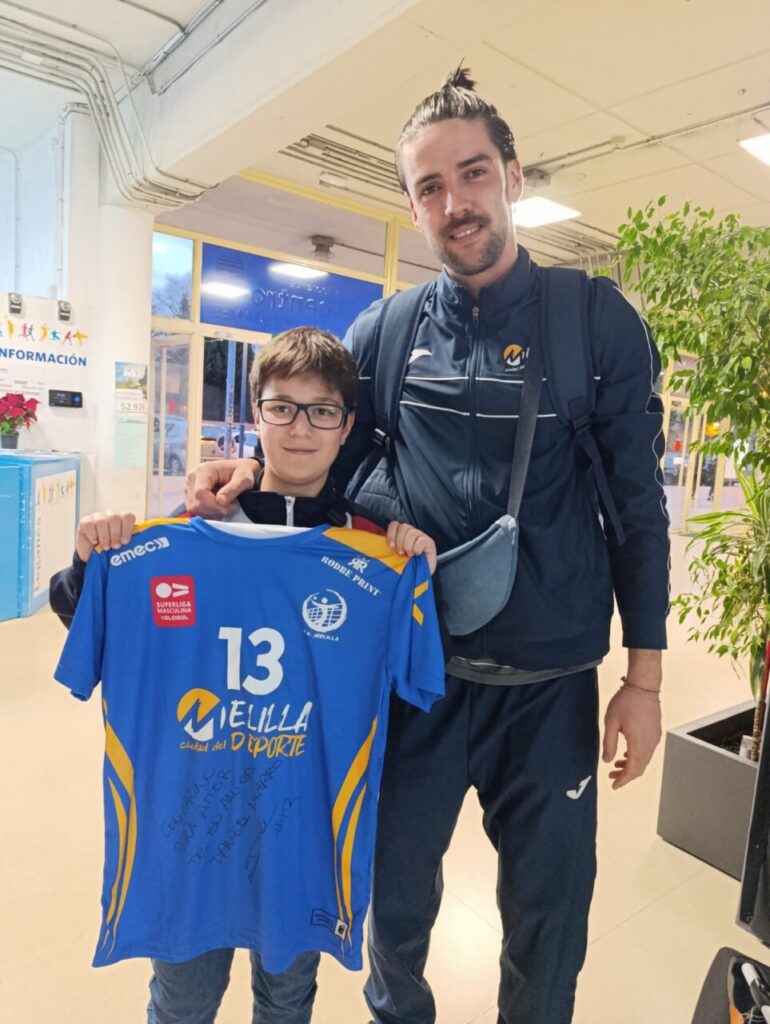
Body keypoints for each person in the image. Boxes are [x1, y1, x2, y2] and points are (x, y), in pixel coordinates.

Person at [184, 68, 670, 1024]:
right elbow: (328, 459)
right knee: (393, 914)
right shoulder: (389, 330)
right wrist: (247, 474)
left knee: (547, 927)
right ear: (411, 204)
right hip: (414, 683)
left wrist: (644, 681)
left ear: (513, 177)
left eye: (472, 174)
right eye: (429, 188)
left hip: (551, 691)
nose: (455, 203)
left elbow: (639, 509)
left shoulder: (593, 322)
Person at [50, 327, 438, 1024]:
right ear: (255, 415)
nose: (300, 427)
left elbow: (414, 686)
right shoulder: (191, 527)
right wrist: (91, 558)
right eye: (281, 407)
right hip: (187, 834)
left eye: (321, 411)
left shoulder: (374, 551)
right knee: (183, 1002)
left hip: (302, 839)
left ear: (347, 425)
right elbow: (85, 616)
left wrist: (411, 573)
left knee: (287, 1000)